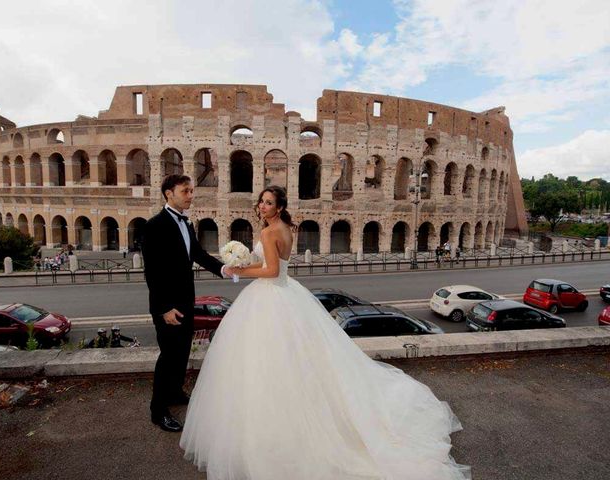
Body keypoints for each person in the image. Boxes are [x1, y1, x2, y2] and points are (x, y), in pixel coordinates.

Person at [179, 186, 470, 480]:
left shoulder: (268, 233)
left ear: (279, 207)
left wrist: (236, 272)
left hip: (269, 296)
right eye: (261, 202)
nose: (262, 206)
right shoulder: (284, 229)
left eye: (268, 203)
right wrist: (242, 262)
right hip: (286, 295)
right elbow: (273, 266)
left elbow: (270, 272)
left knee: (265, 365)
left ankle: (274, 430)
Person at [141, 174, 230, 433]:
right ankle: (158, 411)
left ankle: (175, 392)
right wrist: (164, 309)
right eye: (186, 191)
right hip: (167, 305)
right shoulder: (154, 225)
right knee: (168, 357)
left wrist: (224, 269)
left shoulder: (187, 223)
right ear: (169, 193)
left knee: (181, 354)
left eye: (192, 190)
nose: (191, 195)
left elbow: (198, 255)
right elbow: (152, 272)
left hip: (186, 299)